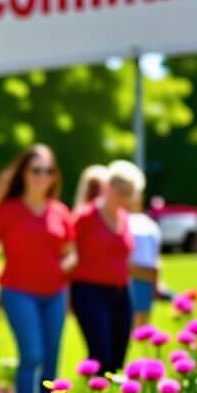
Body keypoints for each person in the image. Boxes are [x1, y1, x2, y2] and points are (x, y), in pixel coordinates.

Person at [0, 144, 76, 393]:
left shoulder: (60, 211)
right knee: (32, 355)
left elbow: (71, 254)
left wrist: (63, 267)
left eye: (48, 171)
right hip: (17, 292)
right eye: (36, 170)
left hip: (54, 294)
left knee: (51, 361)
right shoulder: (7, 211)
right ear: (23, 173)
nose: (42, 176)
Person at [69, 159, 139, 374]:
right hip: (89, 292)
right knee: (101, 354)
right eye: (121, 192)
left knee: (119, 356)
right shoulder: (84, 217)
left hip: (121, 292)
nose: (124, 199)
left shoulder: (124, 218)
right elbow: (68, 256)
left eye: (129, 194)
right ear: (107, 188)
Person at [128, 194, 163, 327]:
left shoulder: (147, 224)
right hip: (137, 275)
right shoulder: (149, 224)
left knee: (140, 323)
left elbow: (156, 256)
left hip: (142, 276)